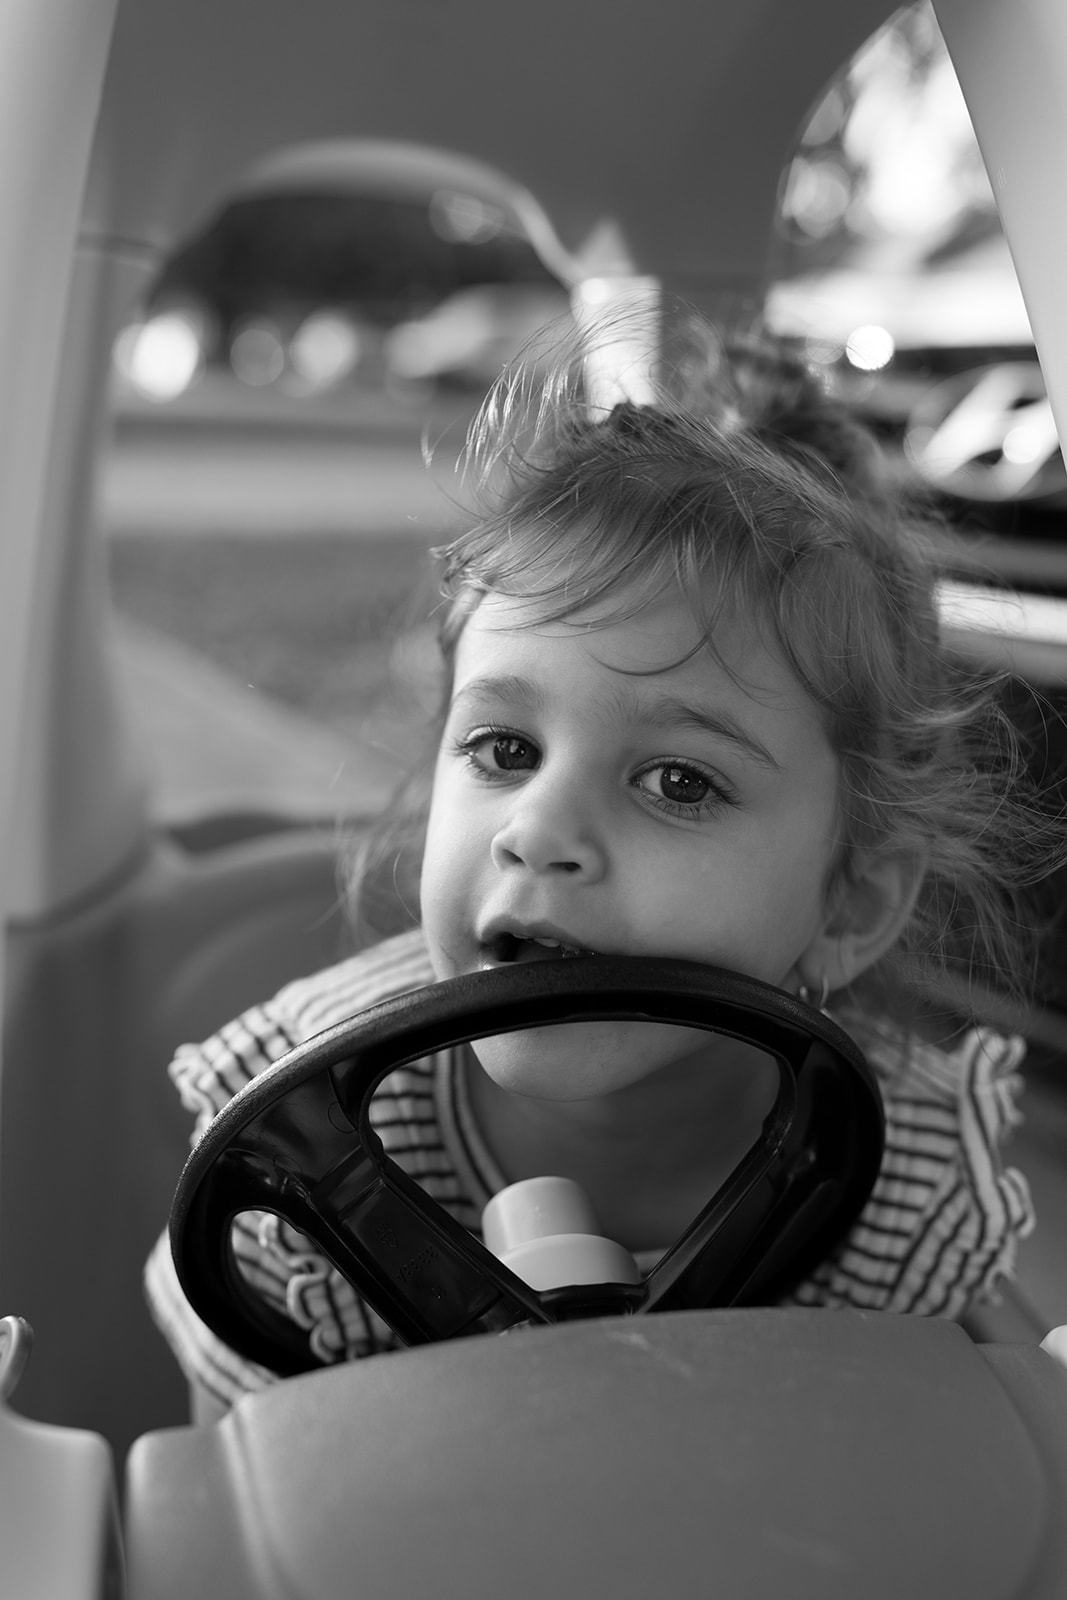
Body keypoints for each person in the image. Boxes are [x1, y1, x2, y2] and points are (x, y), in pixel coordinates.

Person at [145, 307, 1063, 1419]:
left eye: (678, 781)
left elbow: (890, 1498)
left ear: (851, 898)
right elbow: (236, 1521)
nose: (536, 830)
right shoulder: (300, 1148)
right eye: (504, 749)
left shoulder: (901, 1182)